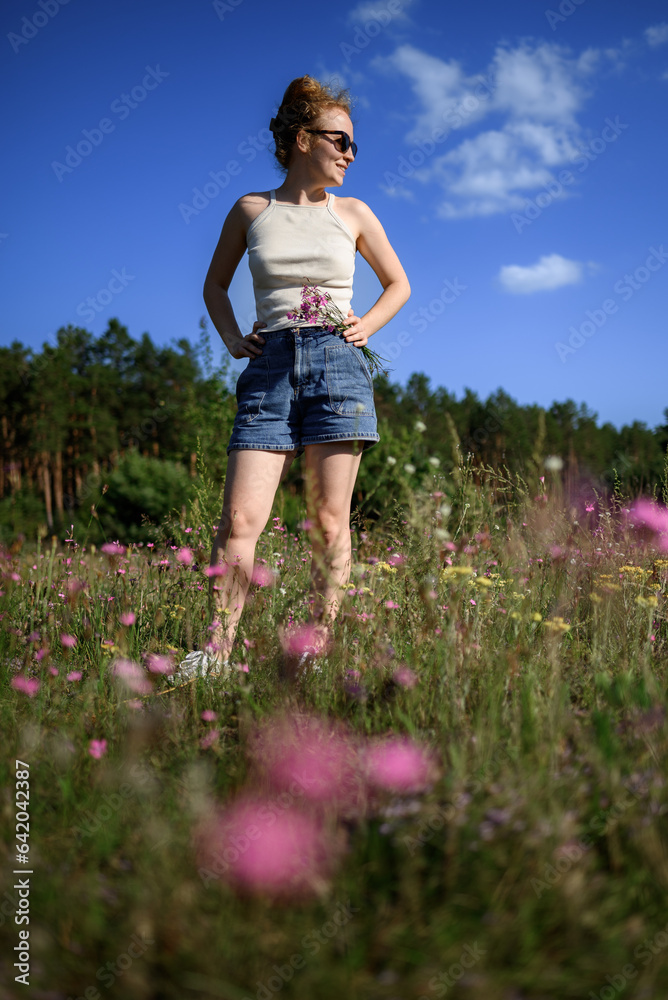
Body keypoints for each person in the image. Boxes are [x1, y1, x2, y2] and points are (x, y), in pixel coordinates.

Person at [171, 74, 410, 683]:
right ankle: (215, 656)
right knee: (240, 522)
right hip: (269, 365)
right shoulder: (252, 209)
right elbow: (215, 285)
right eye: (341, 141)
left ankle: (314, 650)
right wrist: (232, 341)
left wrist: (365, 328)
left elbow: (398, 284)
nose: (351, 154)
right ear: (303, 139)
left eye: (355, 145)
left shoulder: (353, 213)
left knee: (330, 520)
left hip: (338, 362)